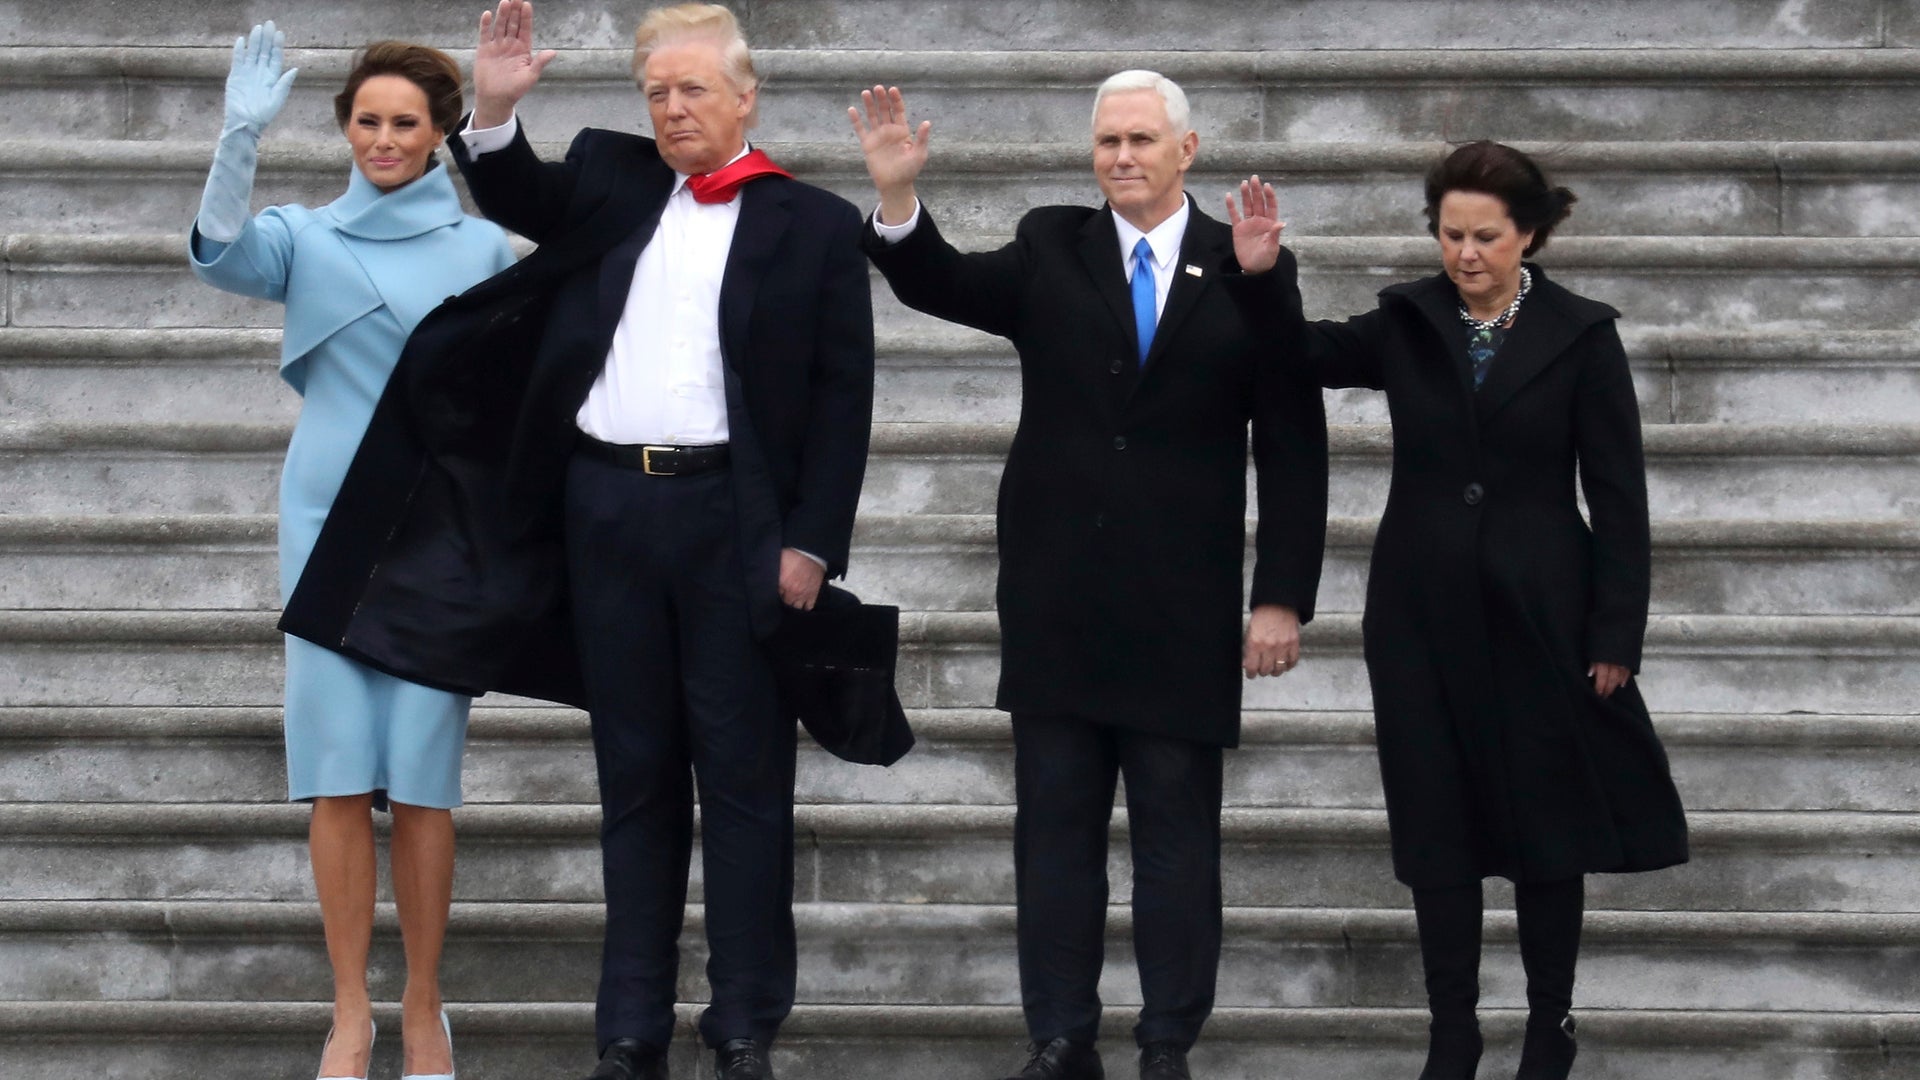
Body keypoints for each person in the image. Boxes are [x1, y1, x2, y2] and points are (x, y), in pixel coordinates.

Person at [271, 3, 874, 1078]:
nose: (673, 108)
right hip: (606, 514)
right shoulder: (611, 174)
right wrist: (493, 112)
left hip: (735, 521)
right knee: (633, 780)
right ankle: (630, 1029)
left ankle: (743, 1024)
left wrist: (812, 543)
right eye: (656, 91)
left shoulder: (816, 224)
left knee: (743, 783)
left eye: (693, 89)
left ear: (746, 96)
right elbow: (515, 191)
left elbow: (842, 397)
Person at [853, 74, 1328, 1080]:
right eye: (1107, 139)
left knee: (1175, 841)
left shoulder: (1243, 263)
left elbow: (1293, 439)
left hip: (1182, 604)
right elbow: (942, 282)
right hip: (1058, 595)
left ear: (1186, 150)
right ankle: (1062, 1036)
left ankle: (1166, 1043)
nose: (1121, 156)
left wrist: (1279, 593)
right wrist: (899, 202)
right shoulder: (1051, 245)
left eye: (1142, 140)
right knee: (1056, 835)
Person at [1232, 141, 1689, 1080]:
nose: (1465, 253)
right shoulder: (1409, 318)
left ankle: (1547, 1024)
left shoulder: (1580, 333)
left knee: (1546, 827)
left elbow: (1620, 496)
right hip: (1418, 616)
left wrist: (1615, 633)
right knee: (1436, 823)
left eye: (1486, 236)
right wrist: (1265, 274)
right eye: (1451, 235)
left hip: (1545, 616)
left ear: (1528, 235)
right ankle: (1452, 1030)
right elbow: (1299, 354)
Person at [186, 24, 515, 1080]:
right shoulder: (302, 236)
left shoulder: (484, 249)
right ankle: (348, 1014)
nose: (382, 137)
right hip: (326, 518)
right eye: (366, 120)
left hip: (439, 528)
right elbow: (220, 253)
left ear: (438, 135)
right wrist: (238, 134)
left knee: (422, 781)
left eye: (404, 123)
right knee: (336, 778)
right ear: (343, 127)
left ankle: (424, 1009)